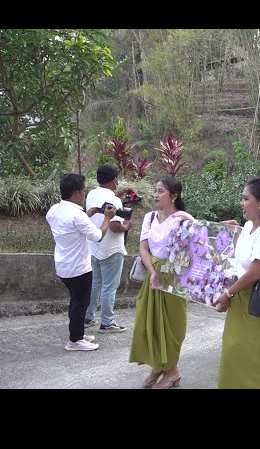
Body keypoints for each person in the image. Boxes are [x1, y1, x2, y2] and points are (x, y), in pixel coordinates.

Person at [214, 178, 260, 389]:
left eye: (246, 199)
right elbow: (239, 258)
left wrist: (228, 294)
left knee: (254, 359)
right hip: (243, 296)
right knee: (235, 354)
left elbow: (255, 273)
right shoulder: (248, 227)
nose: (242, 203)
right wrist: (228, 231)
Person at [129, 177, 195, 389]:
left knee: (173, 326)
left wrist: (188, 219)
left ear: (174, 195)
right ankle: (158, 367)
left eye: (160, 191)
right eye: (155, 191)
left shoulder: (183, 219)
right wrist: (153, 272)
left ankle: (172, 370)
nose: (155, 195)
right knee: (150, 324)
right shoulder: (149, 218)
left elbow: (196, 246)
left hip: (174, 278)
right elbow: (143, 249)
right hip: (154, 276)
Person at [46, 173, 116, 351]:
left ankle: (78, 333)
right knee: (80, 304)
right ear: (77, 192)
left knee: (75, 301)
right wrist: (107, 218)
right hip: (79, 269)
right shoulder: (77, 216)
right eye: (83, 191)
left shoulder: (53, 210)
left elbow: (70, 225)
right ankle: (75, 340)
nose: (85, 194)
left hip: (63, 266)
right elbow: (98, 236)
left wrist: (88, 214)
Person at [83, 165, 132, 334]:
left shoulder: (91, 194)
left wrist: (117, 195)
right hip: (112, 249)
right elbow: (114, 226)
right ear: (113, 180)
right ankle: (107, 322)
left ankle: (88, 317)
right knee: (110, 287)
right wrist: (127, 226)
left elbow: (103, 207)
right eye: (117, 178)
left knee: (95, 284)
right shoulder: (115, 202)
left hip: (94, 248)